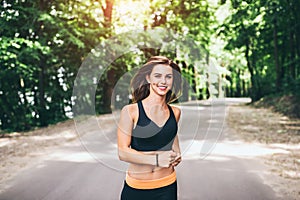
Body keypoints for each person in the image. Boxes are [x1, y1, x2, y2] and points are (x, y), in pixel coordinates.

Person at [117, 56, 183, 200]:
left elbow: (171, 137)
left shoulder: (175, 112)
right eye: (157, 76)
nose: (163, 81)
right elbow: (123, 152)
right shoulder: (130, 111)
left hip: (167, 185)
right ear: (148, 78)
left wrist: (176, 154)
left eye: (168, 77)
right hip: (136, 187)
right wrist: (158, 159)